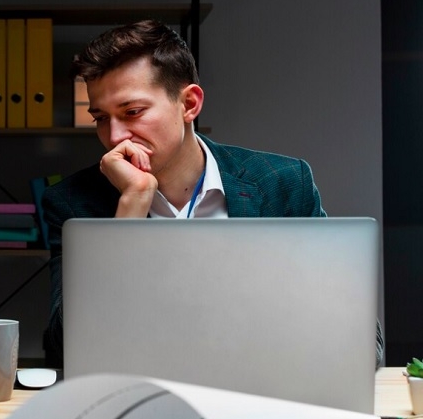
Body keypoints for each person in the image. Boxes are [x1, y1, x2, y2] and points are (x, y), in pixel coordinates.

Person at [41, 19, 384, 368]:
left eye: (132, 112)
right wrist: (129, 209)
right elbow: (63, 350)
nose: (114, 137)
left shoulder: (282, 182)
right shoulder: (72, 202)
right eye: (100, 118)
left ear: (189, 103)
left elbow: (363, 344)